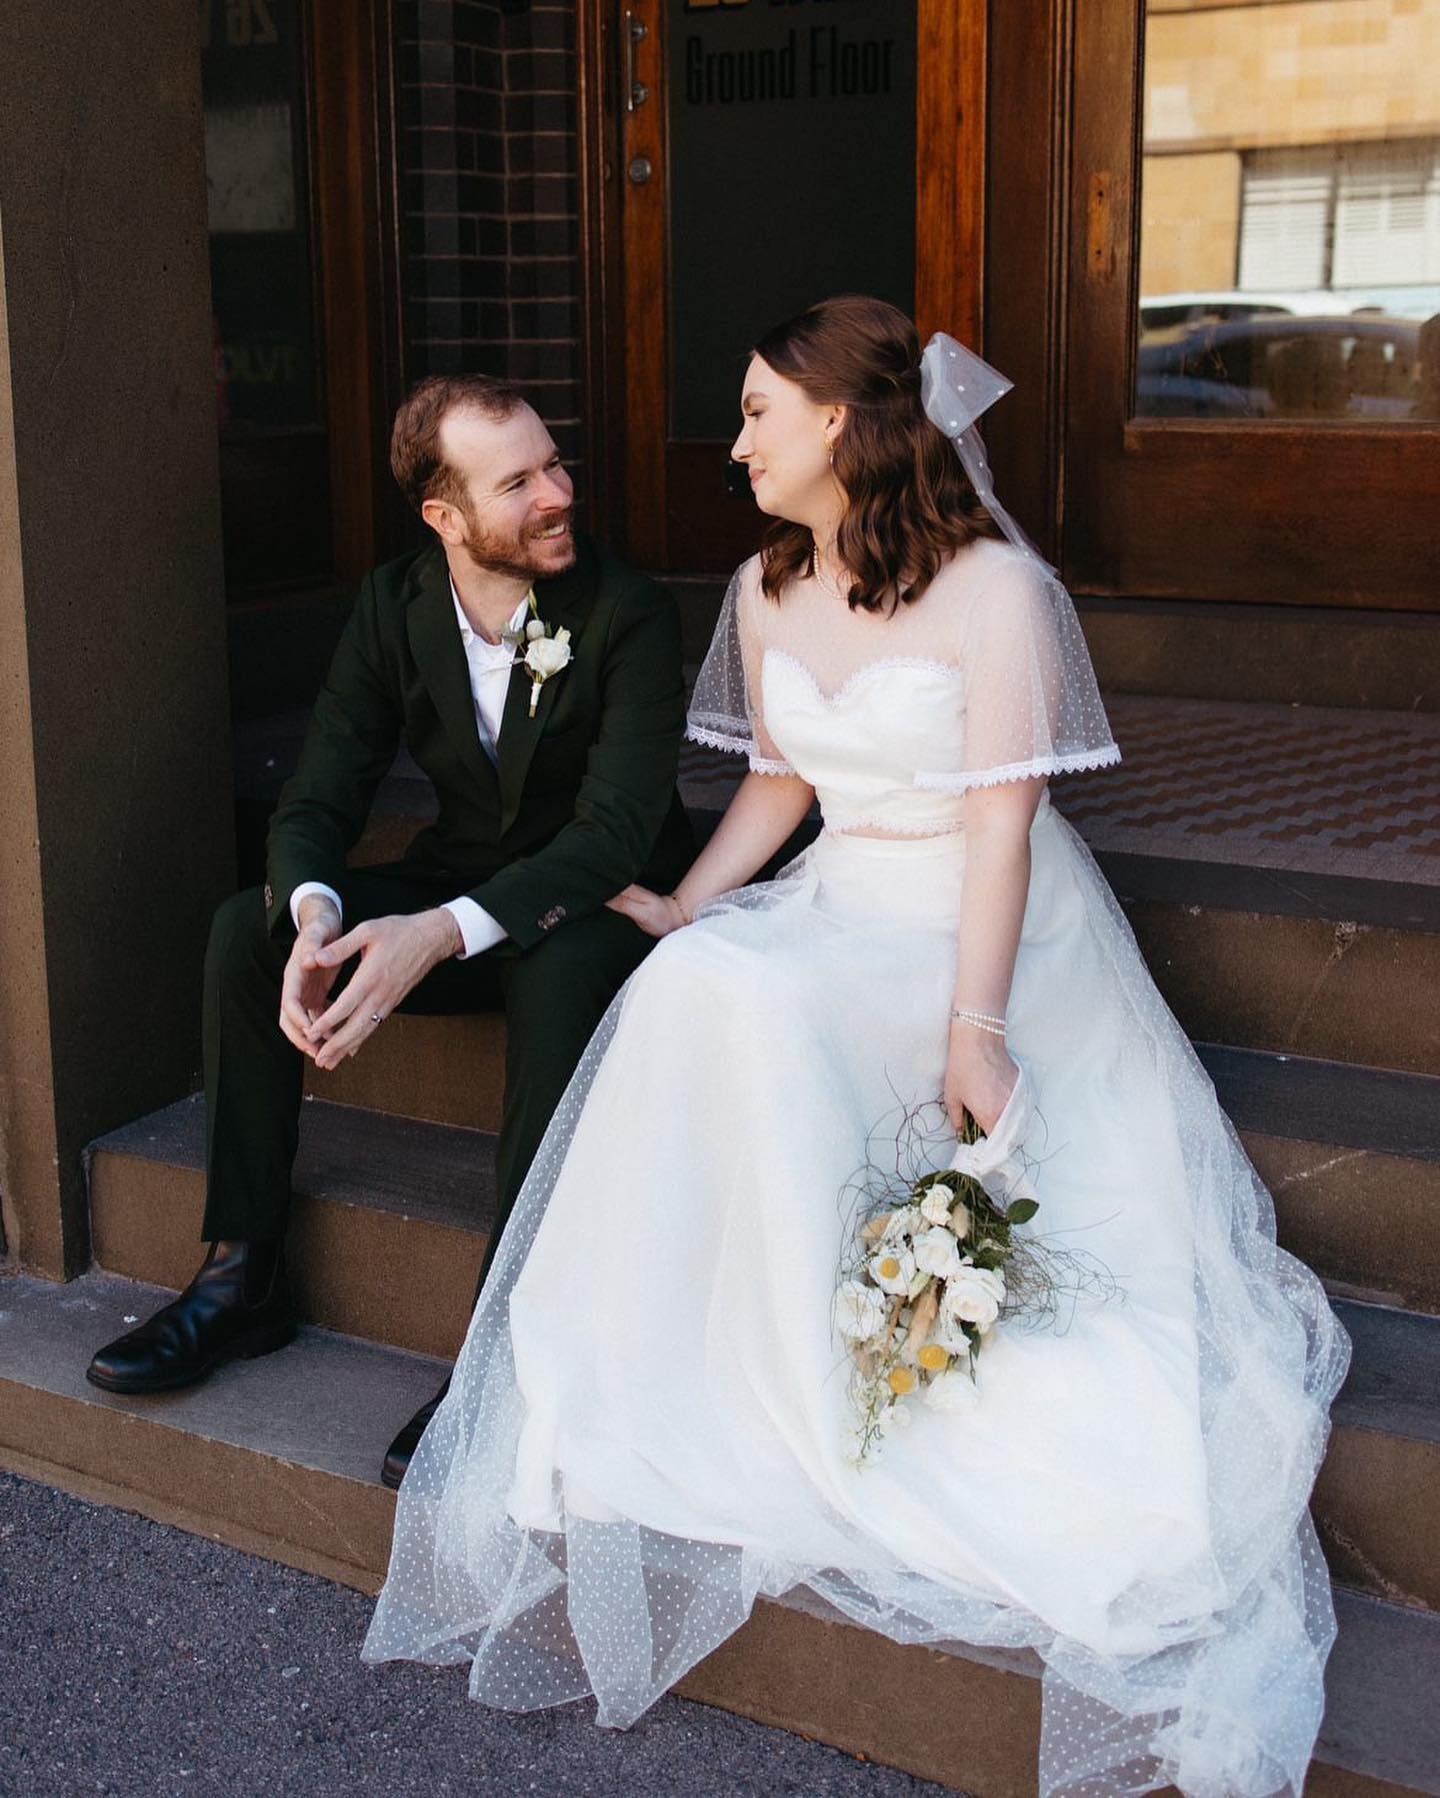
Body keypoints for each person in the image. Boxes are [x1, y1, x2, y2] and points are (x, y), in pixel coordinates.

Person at [362, 299, 1350, 1797]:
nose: (737, 437)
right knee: (700, 987)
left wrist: (977, 1026)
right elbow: (777, 778)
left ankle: (818, 1381)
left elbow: (1006, 825)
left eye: (758, 409)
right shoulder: (770, 580)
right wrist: (688, 903)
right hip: (843, 894)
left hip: (978, 922)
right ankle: (696, 1365)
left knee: (751, 1004)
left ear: (840, 423)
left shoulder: (996, 590)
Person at [85, 373, 694, 1488]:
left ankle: (503, 1350)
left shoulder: (627, 611)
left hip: (604, 903)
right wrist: (318, 910)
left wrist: (439, 933)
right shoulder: (393, 604)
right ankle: (240, 1274)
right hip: (467, 876)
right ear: (446, 518)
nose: (559, 493)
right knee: (248, 930)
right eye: (520, 482)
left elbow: (615, 832)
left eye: (556, 465)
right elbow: (319, 795)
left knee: (559, 972)